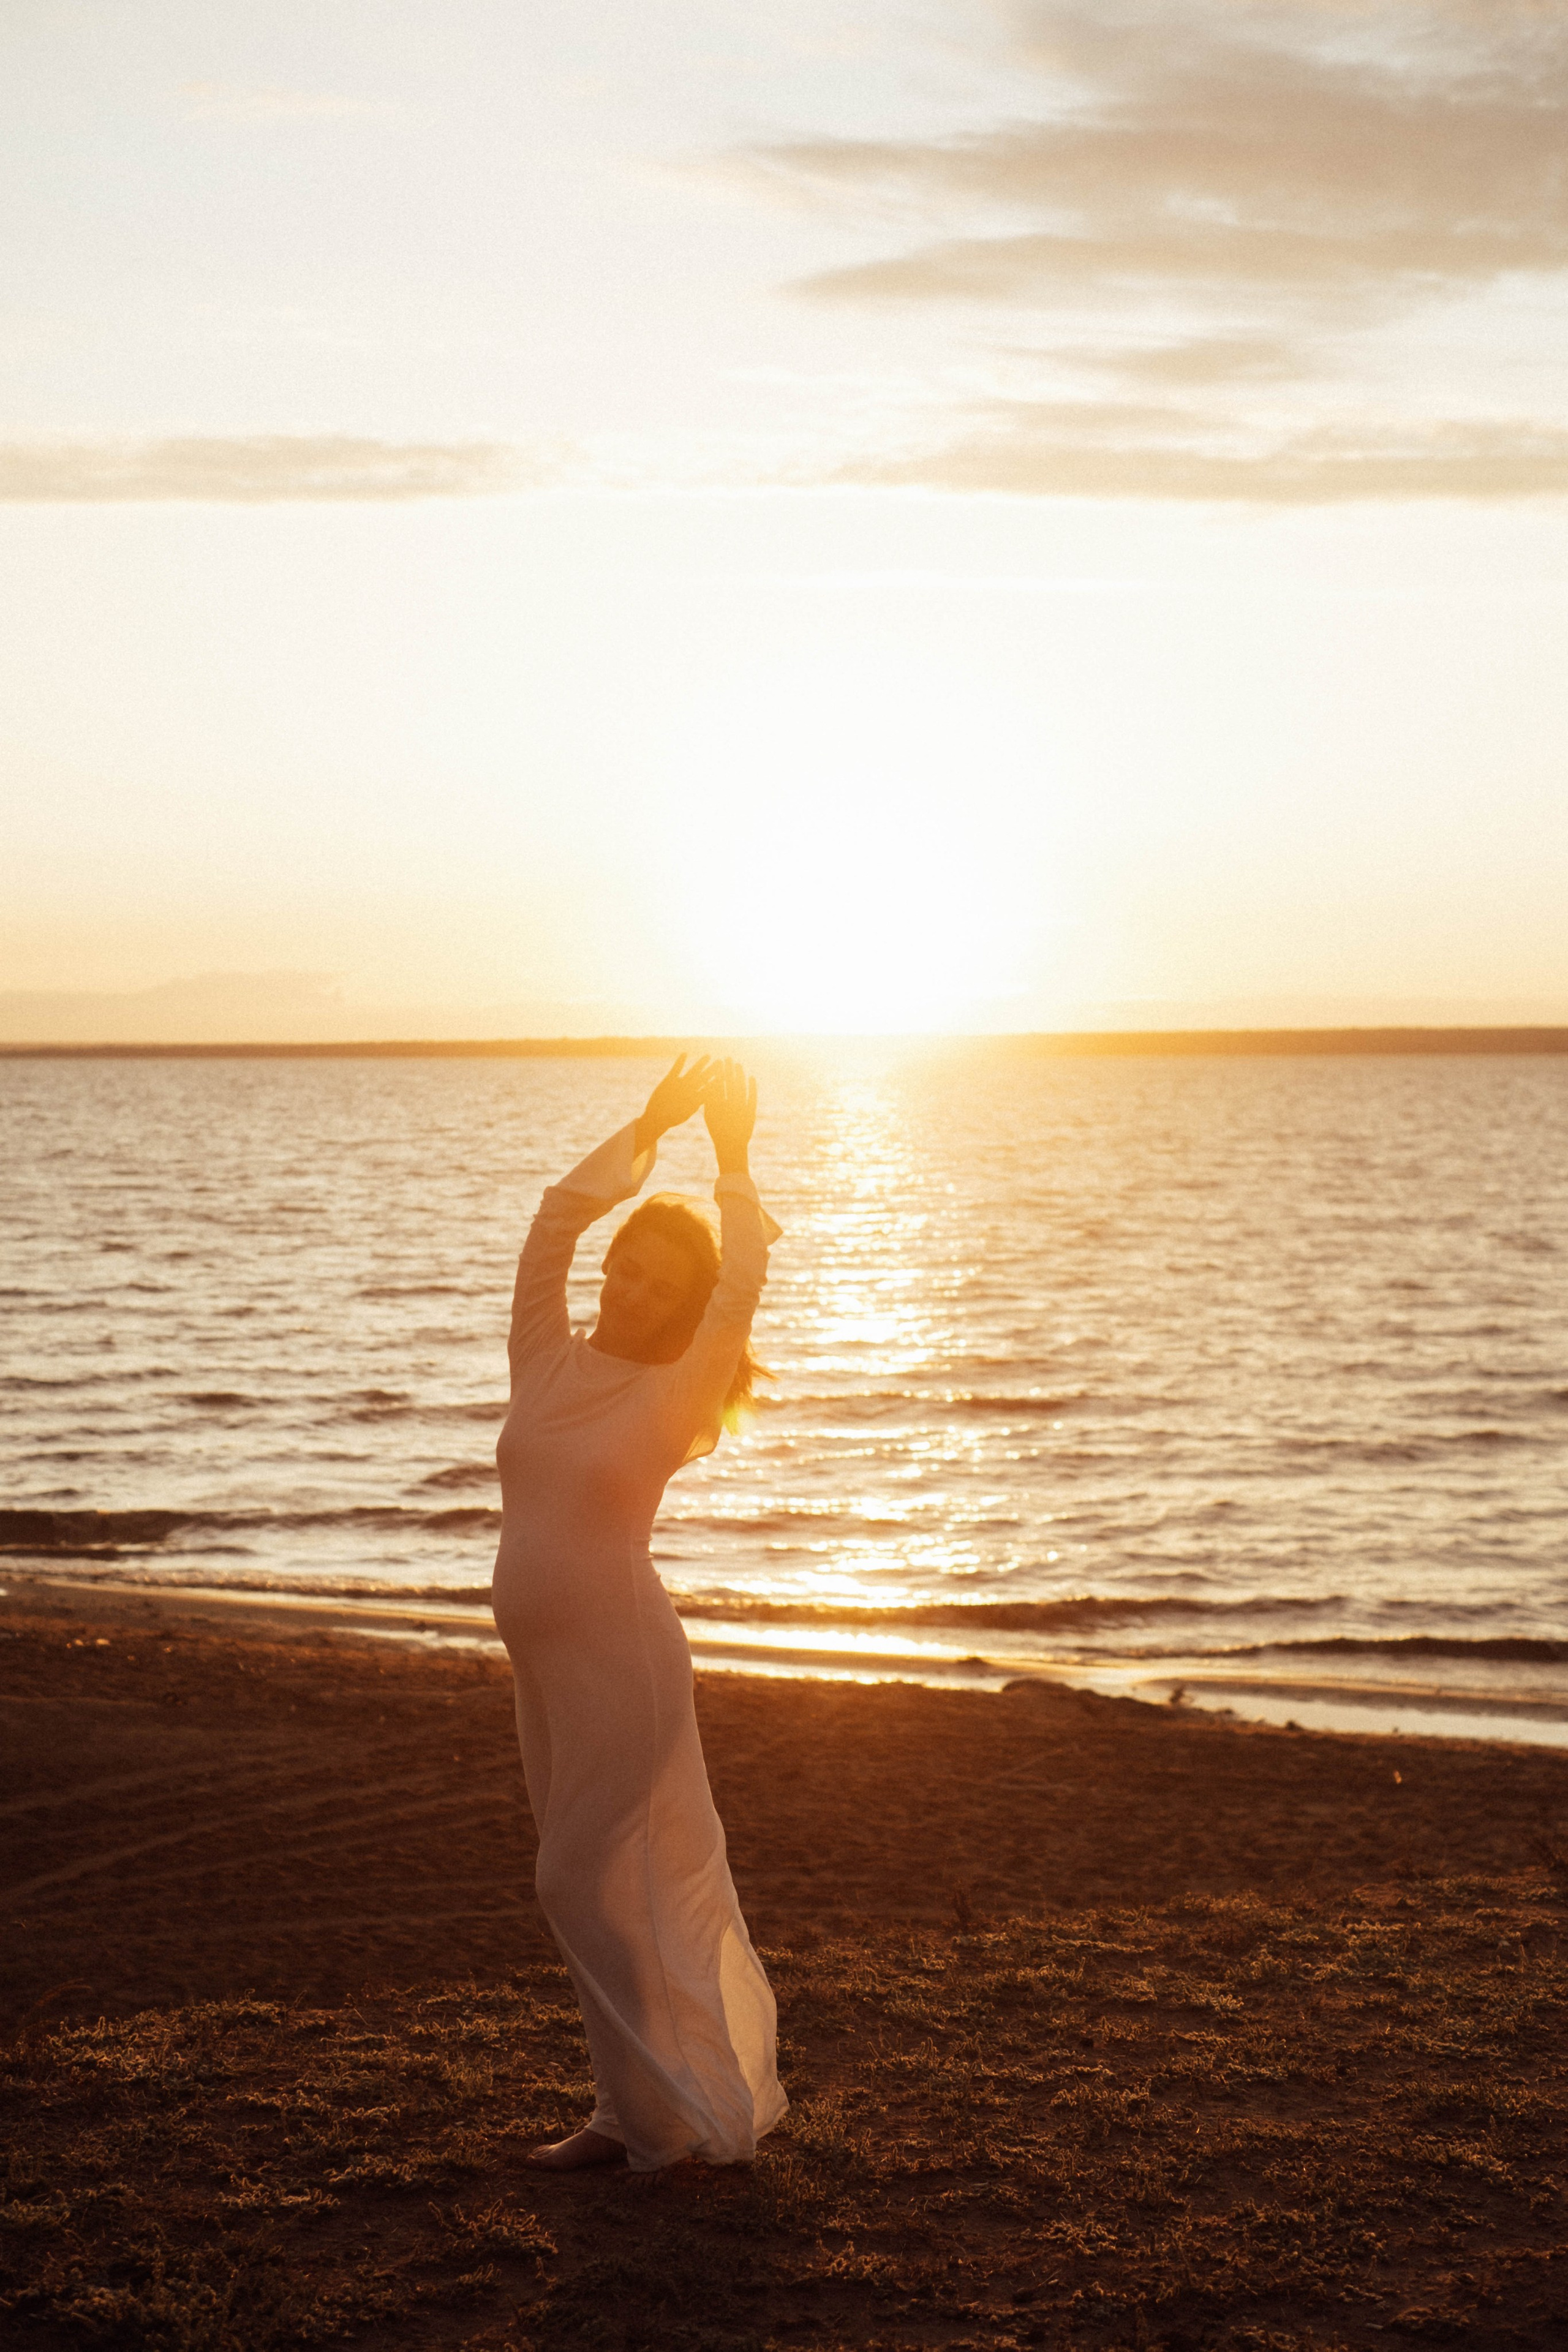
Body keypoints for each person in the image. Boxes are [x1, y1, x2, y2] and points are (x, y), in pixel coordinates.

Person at [490, 1053, 788, 2173]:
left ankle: (675, 2116)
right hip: (544, 1672)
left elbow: (742, 1281)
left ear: (682, 1312)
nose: (628, 1290)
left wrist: (732, 1160)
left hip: (625, 1668)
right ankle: (625, 2119)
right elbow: (552, 1224)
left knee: (572, 1880)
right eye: (627, 1268)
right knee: (605, 1895)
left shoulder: (673, 1394)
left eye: (659, 1286)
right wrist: (650, 1127)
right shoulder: (543, 1358)